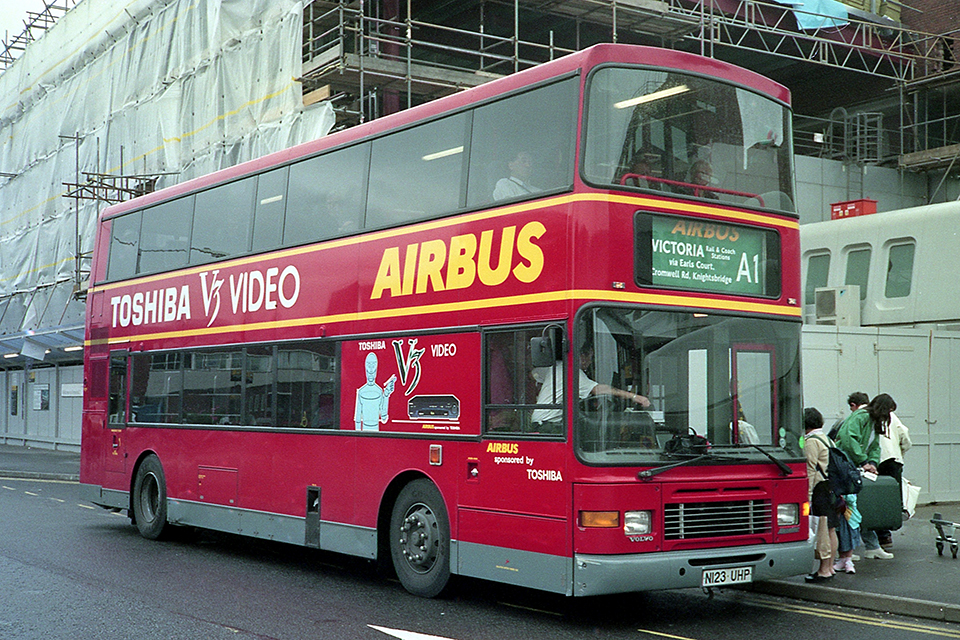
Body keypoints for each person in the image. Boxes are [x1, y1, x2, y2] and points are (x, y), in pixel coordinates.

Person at [835, 392, 897, 559]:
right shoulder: (862, 417)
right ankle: (848, 550)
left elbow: (875, 446)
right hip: (845, 467)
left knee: (857, 507)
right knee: (850, 507)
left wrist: (873, 463)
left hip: (853, 466)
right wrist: (865, 462)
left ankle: (866, 547)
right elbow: (848, 439)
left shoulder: (870, 421)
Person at [531, 345, 650, 427]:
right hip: (548, 425)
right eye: (590, 358)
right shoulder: (574, 373)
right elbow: (599, 389)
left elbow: (532, 374)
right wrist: (634, 397)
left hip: (538, 421)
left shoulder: (556, 366)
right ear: (582, 356)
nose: (590, 362)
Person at [803, 407, 839, 583]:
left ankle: (823, 570)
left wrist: (807, 496)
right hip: (830, 486)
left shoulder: (811, 441)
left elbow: (810, 469)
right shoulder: (827, 439)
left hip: (818, 488)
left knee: (822, 528)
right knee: (831, 528)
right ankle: (830, 567)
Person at [876, 410, 912, 549]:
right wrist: (900, 452)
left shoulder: (870, 416)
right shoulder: (893, 417)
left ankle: (881, 534)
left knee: (877, 498)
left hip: (878, 460)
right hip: (894, 461)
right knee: (892, 497)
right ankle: (888, 532)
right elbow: (905, 437)